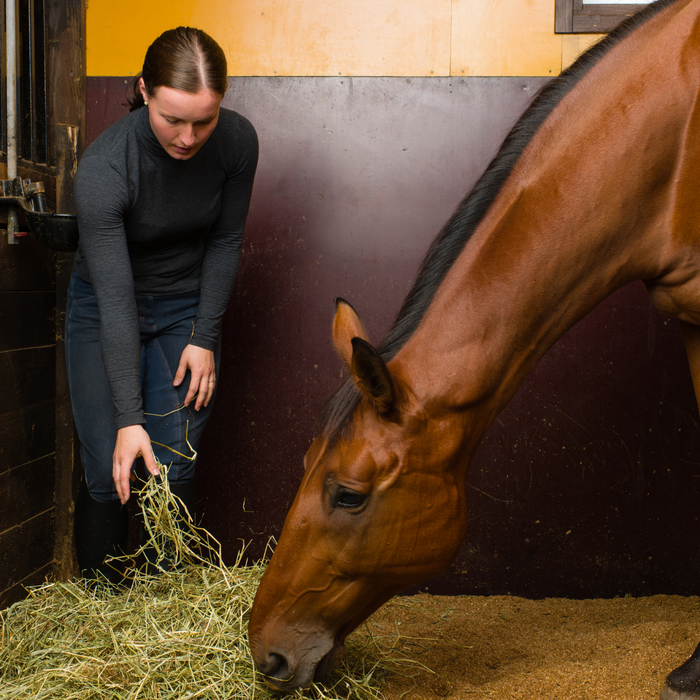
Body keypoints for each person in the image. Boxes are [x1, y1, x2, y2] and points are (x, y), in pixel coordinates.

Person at [66, 27, 258, 583]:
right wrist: (129, 418)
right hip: (105, 306)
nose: (188, 137)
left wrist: (203, 335)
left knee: (173, 464)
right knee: (111, 463)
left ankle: (164, 609)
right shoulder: (105, 167)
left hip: (185, 307)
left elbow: (225, 240)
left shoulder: (238, 142)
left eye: (204, 119)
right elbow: (117, 298)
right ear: (144, 90)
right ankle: (101, 608)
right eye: (173, 118)